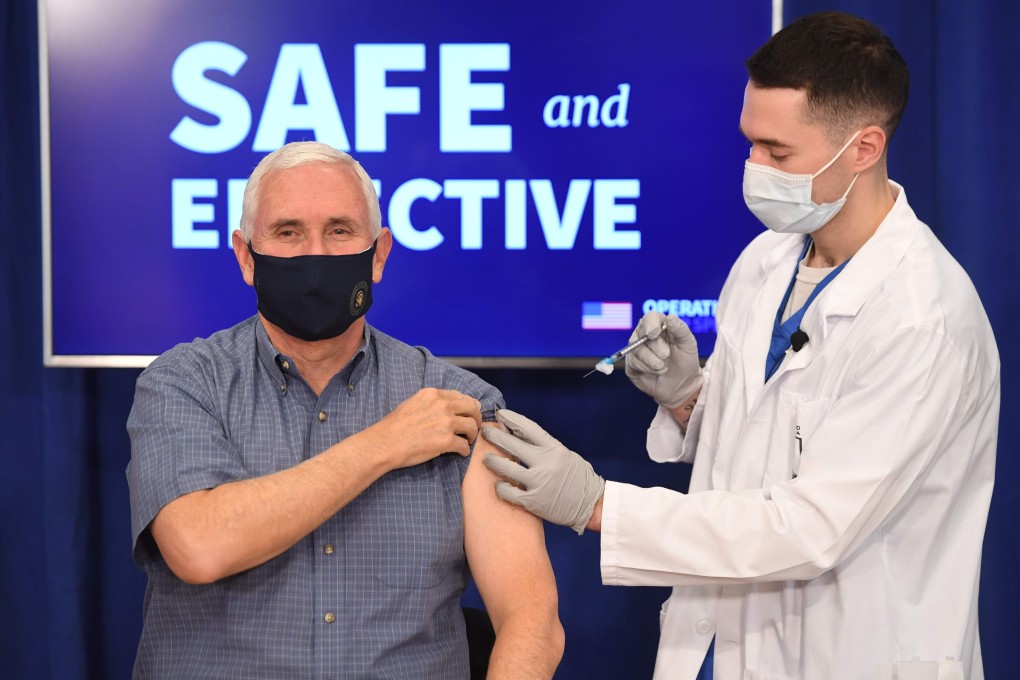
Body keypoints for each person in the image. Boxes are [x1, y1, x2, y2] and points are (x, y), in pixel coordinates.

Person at [482, 11, 999, 680]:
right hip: (719, 648)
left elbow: (809, 529)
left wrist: (596, 504)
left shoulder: (922, 318)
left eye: (778, 153)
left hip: (853, 655)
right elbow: (771, 445)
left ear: (865, 148)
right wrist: (690, 400)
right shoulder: (766, 262)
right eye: (750, 143)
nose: (754, 168)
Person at [126, 141, 564, 679]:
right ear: (246, 257)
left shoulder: (460, 404)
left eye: (339, 231)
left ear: (378, 255)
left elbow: (531, 618)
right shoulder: (184, 383)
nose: (316, 256)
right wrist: (384, 444)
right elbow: (198, 546)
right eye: (288, 233)